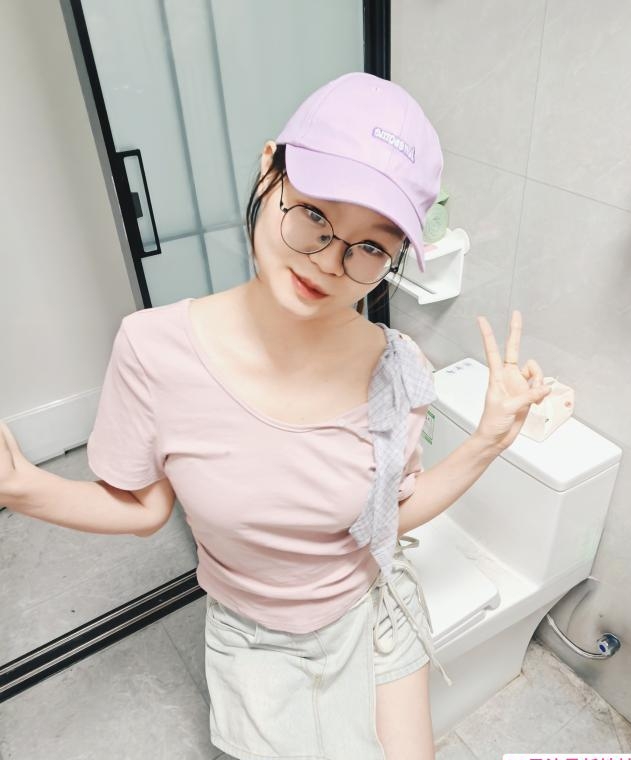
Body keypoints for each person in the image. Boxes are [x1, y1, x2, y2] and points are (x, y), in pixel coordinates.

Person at [0, 72, 552, 760]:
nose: (328, 262)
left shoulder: (398, 368)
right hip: (256, 638)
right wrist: (22, 487)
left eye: (370, 247)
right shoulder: (153, 349)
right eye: (315, 214)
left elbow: (386, 519)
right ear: (270, 169)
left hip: (373, 611)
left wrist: (489, 441)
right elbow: (143, 509)